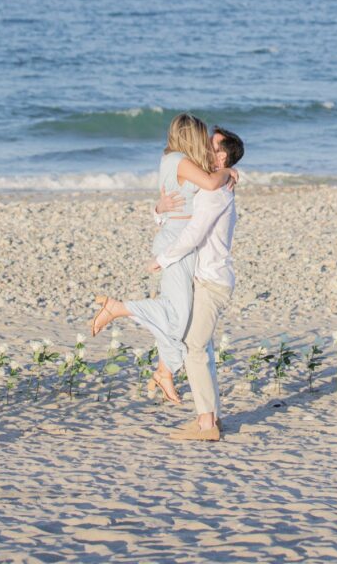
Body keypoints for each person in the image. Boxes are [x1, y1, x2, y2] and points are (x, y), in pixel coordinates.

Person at [90, 113, 238, 404]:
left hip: (179, 240)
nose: (206, 142)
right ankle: (120, 308)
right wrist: (228, 172)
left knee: (179, 312)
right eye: (203, 136)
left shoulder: (178, 160)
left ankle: (164, 370)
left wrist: (158, 209)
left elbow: (172, 203)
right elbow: (209, 184)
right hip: (177, 243)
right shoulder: (179, 160)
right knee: (177, 313)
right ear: (190, 135)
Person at [150, 125, 244, 441]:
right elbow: (179, 216)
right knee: (202, 348)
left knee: (194, 348)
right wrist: (159, 210)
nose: (205, 149)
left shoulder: (216, 192)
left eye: (213, 147)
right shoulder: (213, 187)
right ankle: (210, 418)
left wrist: (162, 259)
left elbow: (194, 234)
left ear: (223, 156)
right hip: (205, 279)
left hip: (211, 282)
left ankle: (206, 424)